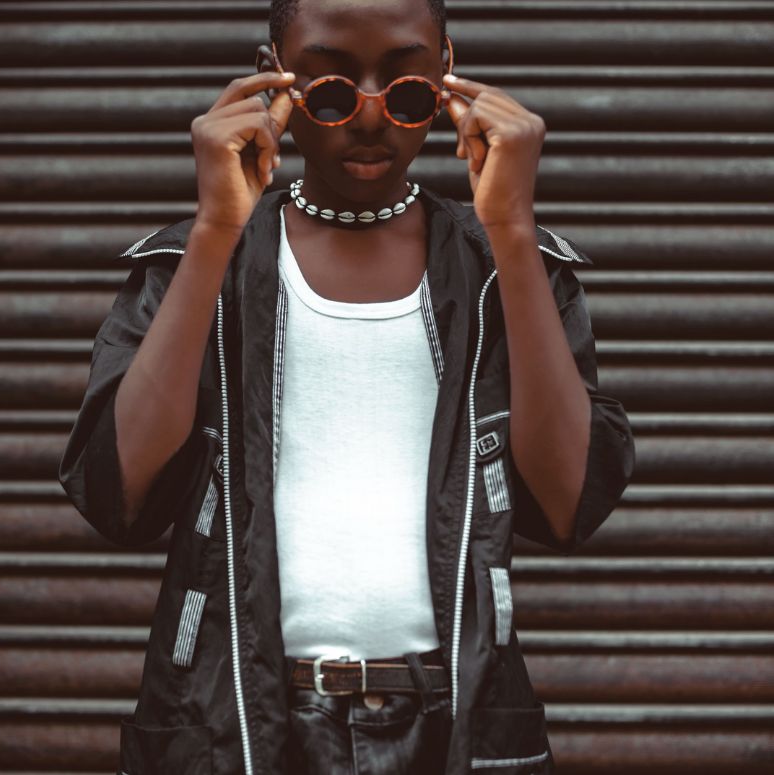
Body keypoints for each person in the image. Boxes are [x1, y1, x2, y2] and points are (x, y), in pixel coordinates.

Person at [58, 0, 635, 772]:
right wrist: (212, 232)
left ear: (447, 74)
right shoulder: (199, 264)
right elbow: (115, 493)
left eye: (405, 93)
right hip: (241, 728)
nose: (368, 118)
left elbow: (570, 502)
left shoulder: (503, 268)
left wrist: (514, 230)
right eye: (330, 89)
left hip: (455, 724)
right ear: (273, 73)